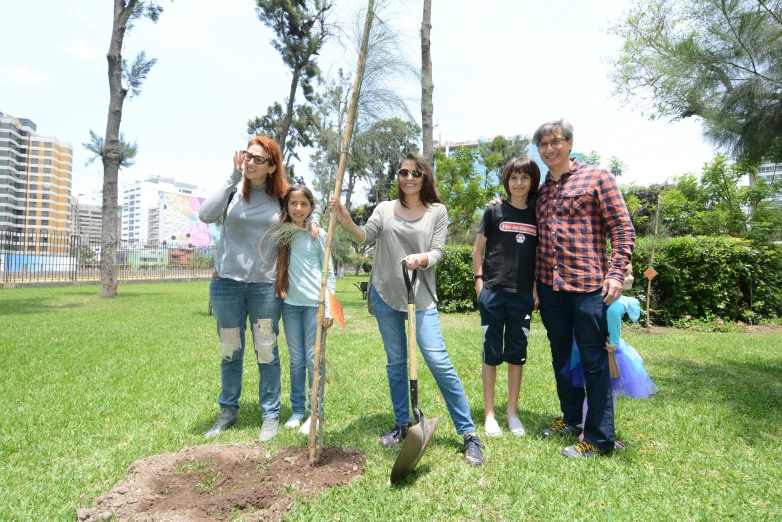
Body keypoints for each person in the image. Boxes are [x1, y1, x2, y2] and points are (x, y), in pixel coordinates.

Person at [328, 153, 485, 466]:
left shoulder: (437, 211)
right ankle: (403, 423)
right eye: (403, 172)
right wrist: (345, 218)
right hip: (387, 292)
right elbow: (364, 236)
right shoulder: (385, 209)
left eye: (415, 173)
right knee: (397, 361)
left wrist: (421, 258)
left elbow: (439, 250)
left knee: (437, 360)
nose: (408, 178)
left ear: (425, 177)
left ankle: (468, 433)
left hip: (421, 296)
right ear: (397, 176)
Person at [532, 119, 635, 459]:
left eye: (555, 142)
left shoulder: (598, 178)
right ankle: (572, 418)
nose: (549, 149)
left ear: (570, 143)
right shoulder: (542, 190)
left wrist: (616, 274)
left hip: (590, 287)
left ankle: (600, 438)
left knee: (593, 361)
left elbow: (622, 229)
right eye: (543, 144)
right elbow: (537, 241)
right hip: (551, 289)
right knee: (561, 356)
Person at [198, 136, 294, 442]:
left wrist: (315, 225)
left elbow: (304, 217)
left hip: (264, 288)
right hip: (227, 286)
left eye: (258, 159)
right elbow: (205, 215)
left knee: (265, 350)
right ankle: (228, 411)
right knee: (230, 349)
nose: (250, 163)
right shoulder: (233, 192)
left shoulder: (281, 198)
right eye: (247, 157)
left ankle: (270, 413)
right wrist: (231, 177)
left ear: (272, 166)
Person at [472, 158, 540, 438]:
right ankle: (490, 414)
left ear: (532, 181)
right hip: (493, 293)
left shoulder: (537, 214)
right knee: (491, 354)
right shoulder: (494, 211)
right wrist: (480, 286)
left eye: (525, 177)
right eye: (514, 177)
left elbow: (540, 257)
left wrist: (535, 288)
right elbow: (477, 251)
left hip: (522, 297)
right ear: (507, 181)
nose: (519, 183)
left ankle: (512, 412)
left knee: (517, 355)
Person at [561, 263, 658, 446]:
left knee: (596, 389)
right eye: (626, 274)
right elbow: (614, 331)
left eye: (631, 274)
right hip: (611, 351)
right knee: (607, 392)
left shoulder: (604, 300)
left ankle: (585, 425)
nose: (629, 278)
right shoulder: (616, 305)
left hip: (593, 346)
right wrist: (613, 344)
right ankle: (596, 428)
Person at [274, 184, 335, 435]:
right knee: (297, 361)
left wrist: (328, 308)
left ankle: (315, 413)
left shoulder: (317, 234)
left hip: (313, 306)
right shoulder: (282, 234)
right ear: (287, 206)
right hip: (290, 306)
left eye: (304, 204)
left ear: (311, 208)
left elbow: (328, 272)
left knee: (313, 360)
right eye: (293, 203)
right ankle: (297, 411)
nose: (298, 208)